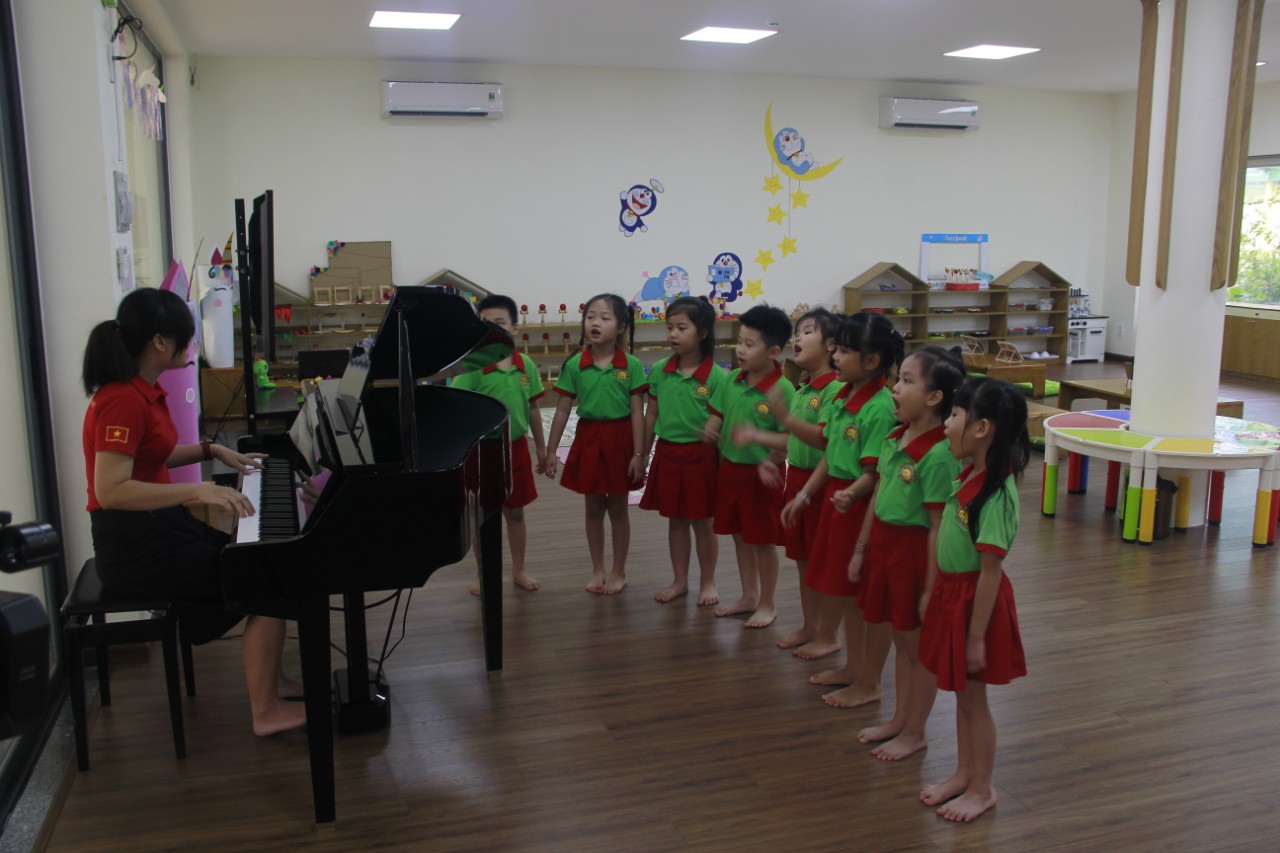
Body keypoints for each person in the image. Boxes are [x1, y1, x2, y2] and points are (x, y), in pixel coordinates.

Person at [81, 287, 304, 737]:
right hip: (135, 548)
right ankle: (265, 711)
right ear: (159, 342)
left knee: (261, 560)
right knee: (263, 578)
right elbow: (111, 490)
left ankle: (274, 683)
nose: (192, 345)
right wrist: (196, 491)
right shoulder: (122, 400)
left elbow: (151, 453)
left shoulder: (142, 390)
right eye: (186, 337)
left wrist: (211, 450)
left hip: (158, 530)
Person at [841, 347, 964, 759]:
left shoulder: (939, 454)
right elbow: (878, 497)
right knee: (899, 638)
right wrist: (861, 549)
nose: (895, 388)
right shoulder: (896, 436)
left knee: (916, 648)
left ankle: (916, 731)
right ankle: (900, 720)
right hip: (884, 547)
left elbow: (938, 527)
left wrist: (930, 589)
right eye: (899, 378)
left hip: (913, 556)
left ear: (934, 397)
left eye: (907, 381)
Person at [918, 377, 1029, 822]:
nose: (946, 424)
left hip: (975, 604)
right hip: (954, 595)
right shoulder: (970, 474)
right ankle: (965, 773)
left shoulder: (997, 494)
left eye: (955, 415)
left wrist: (977, 636)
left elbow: (990, 571)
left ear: (981, 429)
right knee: (962, 696)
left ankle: (983, 788)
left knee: (975, 701)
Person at [781, 313, 899, 693]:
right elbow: (831, 454)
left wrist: (852, 492)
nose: (836, 357)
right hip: (838, 499)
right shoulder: (844, 395)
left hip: (857, 507)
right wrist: (804, 495)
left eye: (845, 351)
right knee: (845, 593)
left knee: (858, 596)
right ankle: (853, 668)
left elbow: (873, 473)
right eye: (836, 349)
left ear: (872, 361)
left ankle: (866, 677)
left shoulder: (878, 406)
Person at [733, 308, 842, 649]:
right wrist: (768, 451)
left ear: (831, 344)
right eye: (798, 332)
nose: (798, 338)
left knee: (826, 564)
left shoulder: (834, 389)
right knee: (803, 560)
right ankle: (811, 627)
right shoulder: (804, 388)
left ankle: (829, 635)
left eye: (808, 332)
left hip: (822, 485)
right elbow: (794, 438)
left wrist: (777, 425)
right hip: (797, 479)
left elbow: (824, 440)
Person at [545, 293, 647, 594]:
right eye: (590, 317)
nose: (595, 323)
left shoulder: (631, 365)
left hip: (620, 440)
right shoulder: (576, 364)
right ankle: (598, 569)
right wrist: (551, 450)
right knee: (592, 507)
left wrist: (639, 453)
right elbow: (562, 410)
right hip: (588, 438)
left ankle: (619, 572)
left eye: (604, 317)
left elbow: (637, 412)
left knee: (617, 507)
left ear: (621, 326)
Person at [702, 304, 795, 629]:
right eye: (739, 341)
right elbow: (718, 412)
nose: (740, 349)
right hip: (731, 470)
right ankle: (749, 596)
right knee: (739, 536)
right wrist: (712, 427)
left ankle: (768, 603)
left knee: (762, 542)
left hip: (762, 477)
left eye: (749, 344)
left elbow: (789, 439)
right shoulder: (731, 380)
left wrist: (771, 461)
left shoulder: (783, 390)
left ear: (773, 352)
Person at [451, 294, 548, 593]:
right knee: (482, 516)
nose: (493, 330)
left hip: (515, 448)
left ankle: (519, 570)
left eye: (500, 323)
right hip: (481, 452)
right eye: (485, 325)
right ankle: (484, 574)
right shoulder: (472, 366)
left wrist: (541, 447)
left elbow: (533, 408)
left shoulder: (525, 364)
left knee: (515, 512)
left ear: (515, 328)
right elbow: (458, 408)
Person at [639, 296, 727, 605]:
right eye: (669, 327)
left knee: (703, 522)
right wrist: (642, 455)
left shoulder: (718, 377)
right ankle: (679, 580)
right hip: (668, 453)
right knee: (675, 520)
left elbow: (722, 422)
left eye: (681, 327)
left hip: (702, 458)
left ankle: (708, 581)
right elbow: (651, 415)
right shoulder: (660, 370)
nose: (673, 334)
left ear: (702, 333)